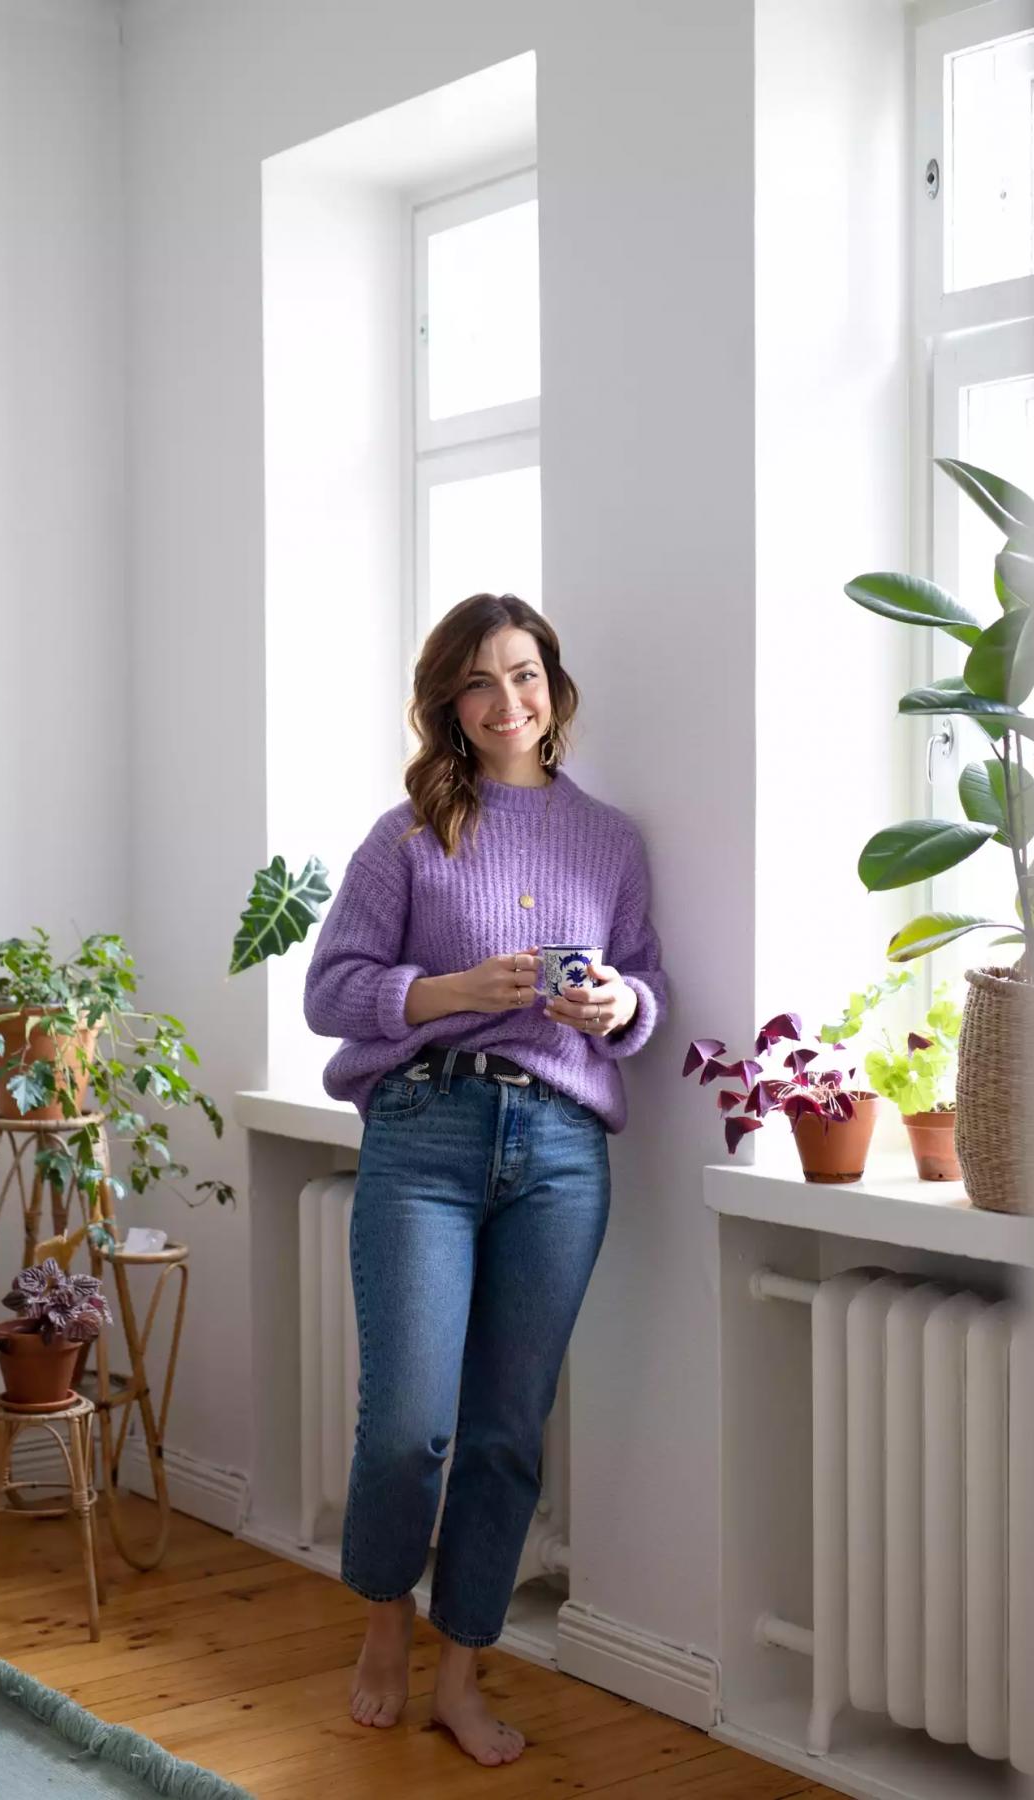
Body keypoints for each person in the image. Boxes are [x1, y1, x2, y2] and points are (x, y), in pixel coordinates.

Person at [303, 592, 665, 1768]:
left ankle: (463, 1670)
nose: (508, 701)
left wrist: (620, 1004)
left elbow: (646, 997)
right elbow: (330, 989)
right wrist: (451, 991)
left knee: (509, 1433)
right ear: (449, 706)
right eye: (480, 683)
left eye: (525, 675)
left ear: (553, 687)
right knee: (409, 1426)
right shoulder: (409, 834)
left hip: (561, 1152)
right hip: (427, 1134)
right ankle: (382, 1633)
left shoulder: (610, 841)